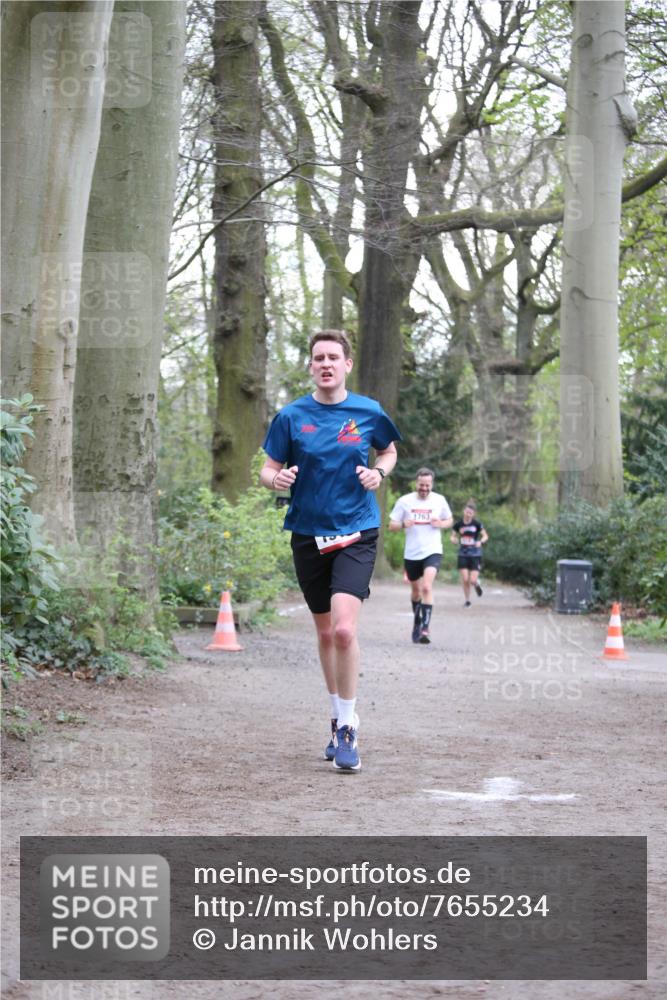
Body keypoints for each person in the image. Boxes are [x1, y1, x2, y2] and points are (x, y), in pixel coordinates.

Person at [260, 330, 400, 773]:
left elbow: (390, 452)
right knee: (323, 634)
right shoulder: (291, 416)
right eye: (318, 357)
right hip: (307, 533)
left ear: (346, 364)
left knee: (343, 631)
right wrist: (275, 481)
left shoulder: (368, 412)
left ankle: (348, 729)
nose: (325, 364)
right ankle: (337, 715)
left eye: (333, 357)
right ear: (311, 366)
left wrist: (379, 472)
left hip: (357, 530)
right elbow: (268, 468)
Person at [388, 469, 453, 643]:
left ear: (432, 484)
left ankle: (425, 629)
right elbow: (391, 525)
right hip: (412, 553)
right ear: (416, 483)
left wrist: (441, 523)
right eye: (421, 485)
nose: (424, 488)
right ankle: (417, 623)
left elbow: (450, 520)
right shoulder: (405, 501)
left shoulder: (439, 500)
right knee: (416, 591)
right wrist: (402, 524)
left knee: (426, 587)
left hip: (432, 550)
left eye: (427, 485)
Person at [450, 500, 489, 607]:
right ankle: (467, 600)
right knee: (465, 579)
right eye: (467, 512)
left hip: (475, 554)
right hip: (463, 553)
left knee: (472, 580)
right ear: (464, 511)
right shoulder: (458, 524)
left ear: (473, 514)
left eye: (470, 513)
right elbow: (452, 536)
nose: (468, 514)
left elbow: (485, 536)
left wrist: (480, 542)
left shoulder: (477, 524)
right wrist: (453, 539)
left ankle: (476, 584)